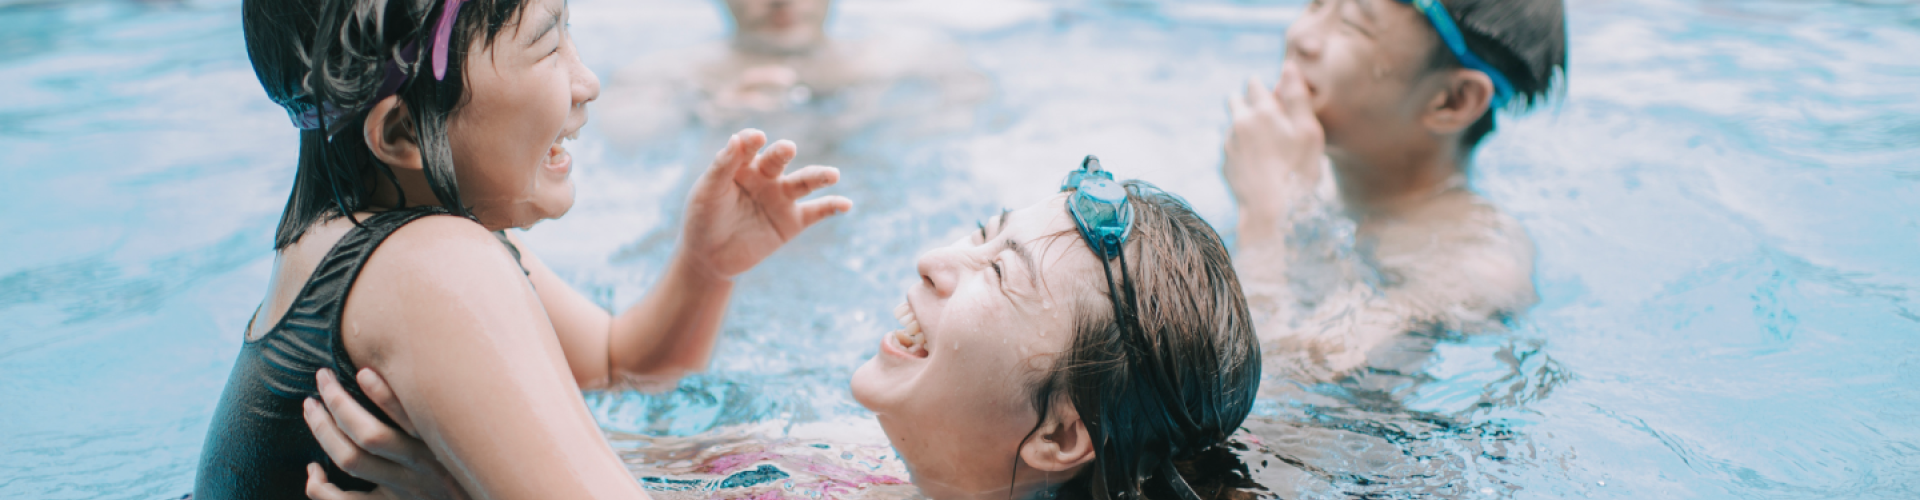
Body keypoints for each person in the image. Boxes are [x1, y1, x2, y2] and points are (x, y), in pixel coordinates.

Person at [301, 160, 1266, 500]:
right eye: (981, 234)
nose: (936, 259)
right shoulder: (856, 460)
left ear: (1060, 434)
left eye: (997, 273)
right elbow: (606, 455)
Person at [193, 0, 851, 497]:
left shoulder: (357, 238)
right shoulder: (432, 267)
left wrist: (704, 269)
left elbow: (623, 364)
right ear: (401, 132)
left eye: (571, 31)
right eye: (546, 49)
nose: (587, 81)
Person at [1221, 0, 1565, 378]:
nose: (1301, 36)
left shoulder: (1472, 270)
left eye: (1352, 25)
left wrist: (1263, 221)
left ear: (1454, 100)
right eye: (1317, 3)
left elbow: (1273, 389)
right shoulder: (1301, 171)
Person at [594, 0, 989, 158]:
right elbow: (624, 142)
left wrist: (887, 117)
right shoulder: (671, 76)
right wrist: (706, 114)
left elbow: (978, 118)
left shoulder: (905, 56)